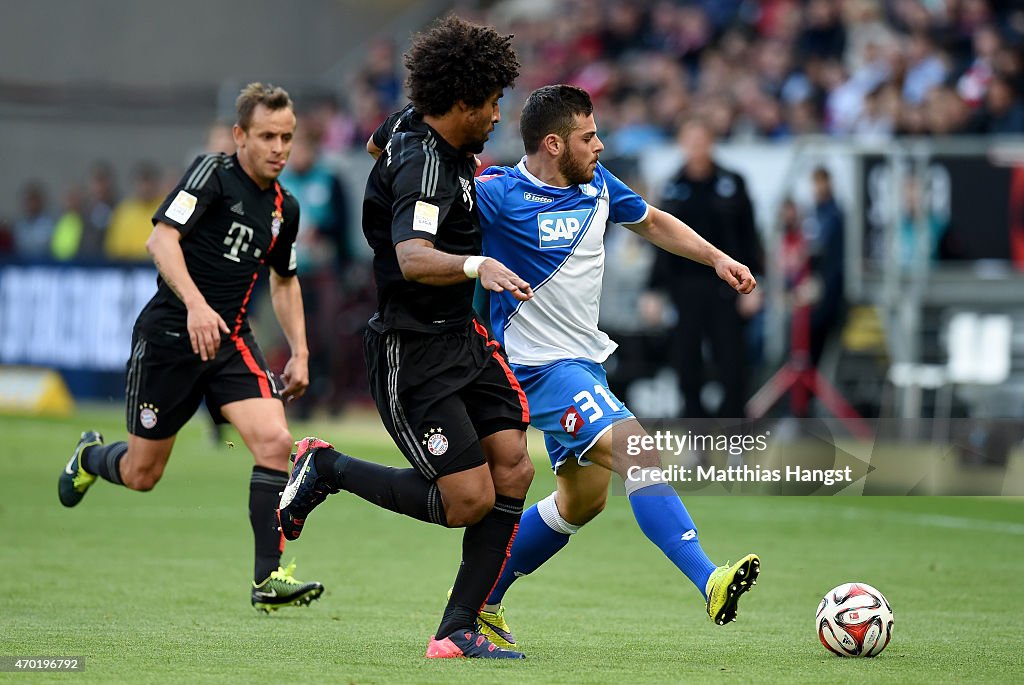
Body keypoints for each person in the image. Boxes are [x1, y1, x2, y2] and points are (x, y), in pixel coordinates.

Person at [275, 15, 534, 660]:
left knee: (515, 467)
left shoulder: (414, 132)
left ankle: (457, 629)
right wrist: (478, 265)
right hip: (410, 349)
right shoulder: (423, 166)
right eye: (493, 103)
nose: (499, 117)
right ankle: (328, 468)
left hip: (461, 338)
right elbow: (415, 255)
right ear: (463, 102)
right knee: (468, 499)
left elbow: (377, 139)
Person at [469, 85, 761, 648]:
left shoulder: (597, 184)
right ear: (553, 144)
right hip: (540, 368)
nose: (600, 145)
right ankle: (710, 580)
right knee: (639, 450)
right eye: (588, 137)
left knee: (582, 502)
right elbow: (423, 217)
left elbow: (653, 222)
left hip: (586, 364)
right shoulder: (498, 194)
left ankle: (481, 600)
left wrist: (718, 259)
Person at [59, 82, 324, 612]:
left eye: (287, 137)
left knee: (275, 442)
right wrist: (198, 305)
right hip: (169, 340)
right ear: (239, 136)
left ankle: (266, 579)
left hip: (228, 342)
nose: (278, 148)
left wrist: (300, 350)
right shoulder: (213, 174)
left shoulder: (284, 208)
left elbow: (284, 279)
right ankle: (89, 456)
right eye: (267, 136)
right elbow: (161, 239)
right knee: (142, 474)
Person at [649, 116, 763, 419]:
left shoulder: (732, 183)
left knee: (732, 365)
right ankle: (697, 439)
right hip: (684, 287)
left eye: (702, 141)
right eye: (691, 141)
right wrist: (654, 290)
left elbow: (750, 237)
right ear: (682, 144)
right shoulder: (672, 187)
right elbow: (660, 240)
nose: (697, 147)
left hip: (726, 287)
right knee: (686, 365)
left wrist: (755, 283)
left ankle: (734, 439)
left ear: (711, 143)